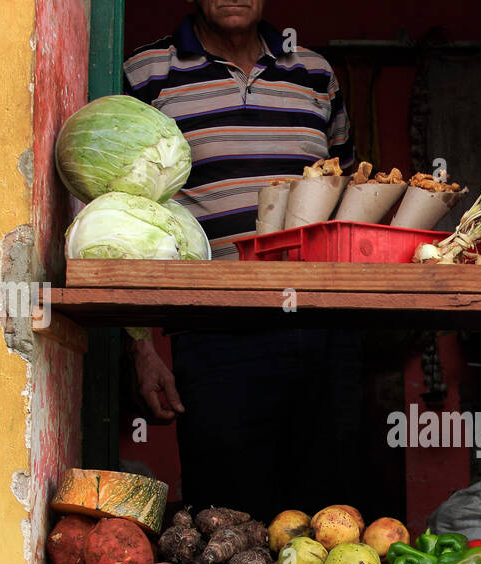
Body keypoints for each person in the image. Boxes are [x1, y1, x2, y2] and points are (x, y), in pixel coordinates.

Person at [122, 0, 364, 519]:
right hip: (214, 335)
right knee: (230, 523)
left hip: (324, 329)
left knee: (333, 522)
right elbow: (122, 210)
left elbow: (349, 192)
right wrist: (140, 347)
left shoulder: (315, 73)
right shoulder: (146, 73)